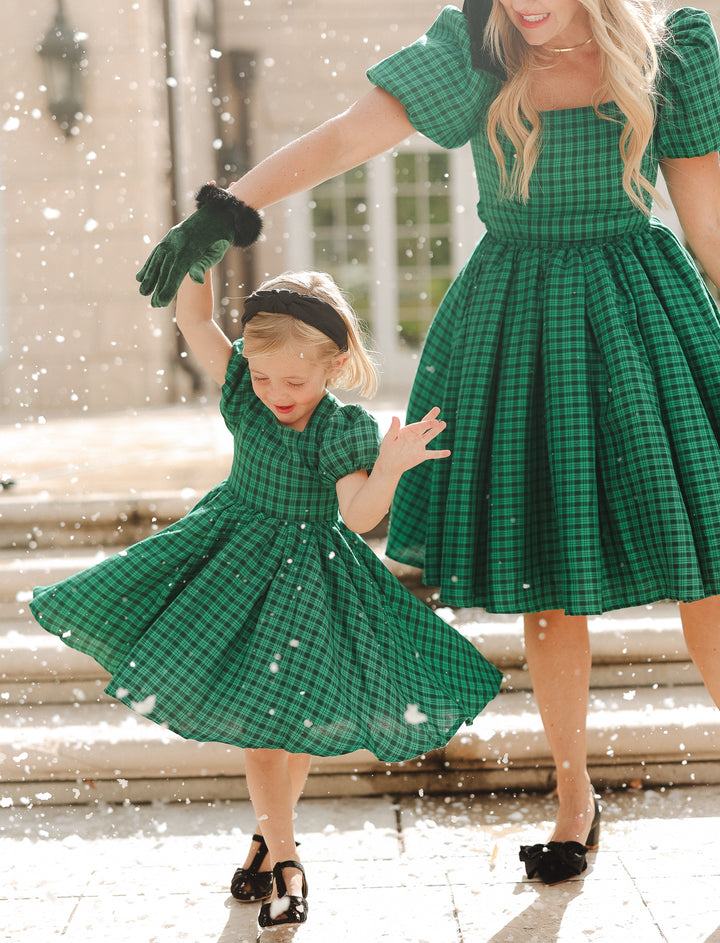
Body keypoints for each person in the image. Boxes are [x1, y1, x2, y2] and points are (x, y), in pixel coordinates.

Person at [136, 0, 720, 885]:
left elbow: (708, 227)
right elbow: (340, 141)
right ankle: (574, 800)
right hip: (517, 325)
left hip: (643, 317)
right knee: (550, 578)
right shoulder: (476, 51)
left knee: (711, 569)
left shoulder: (673, 54)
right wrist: (225, 210)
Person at [30, 265, 503, 926]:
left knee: (289, 722)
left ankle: (271, 846)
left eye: (295, 380)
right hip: (228, 561)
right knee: (264, 727)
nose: (276, 393)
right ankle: (286, 862)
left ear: (334, 366)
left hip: (308, 580)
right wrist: (202, 249)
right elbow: (195, 320)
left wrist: (390, 467)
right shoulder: (246, 394)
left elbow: (360, 515)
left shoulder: (340, 428)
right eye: (262, 376)